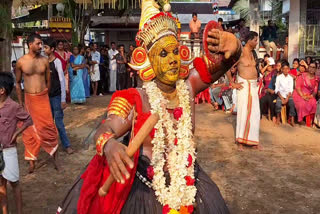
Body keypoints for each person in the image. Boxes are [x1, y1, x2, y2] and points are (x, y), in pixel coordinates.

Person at [57, 0, 242, 213]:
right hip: (147, 191)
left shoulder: (189, 87)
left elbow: (224, 62)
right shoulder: (136, 99)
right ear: (148, 60)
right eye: (163, 54)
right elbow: (107, 127)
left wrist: (234, 46)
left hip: (188, 183)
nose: (172, 59)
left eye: (174, 51)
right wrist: (108, 145)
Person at [15, 33, 59, 173]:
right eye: (38, 44)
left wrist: (46, 92)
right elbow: (17, 82)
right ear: (30, 45)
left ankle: (53, 156)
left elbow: (48, 79)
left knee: (49, 128)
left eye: (41, 44)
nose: (41, 46)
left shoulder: (45, 61)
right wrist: (21, 102)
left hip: (43, 99)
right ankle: (32, 161)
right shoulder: (21, 62)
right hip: (29, 100)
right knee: (29, 131)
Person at [0, 72, 33, 214]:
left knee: (14, 182)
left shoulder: (13, 106)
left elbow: (28, 120)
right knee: (1, 185)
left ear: (2, 90)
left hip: (9, 150)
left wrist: (16, 134)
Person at [228, 31, 260, 150]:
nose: (257, 43)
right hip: (243, 85)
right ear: (249, 40)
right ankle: (240, 141)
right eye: (255, 40)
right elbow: (227, 67)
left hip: (253, 85)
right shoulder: (240, 53)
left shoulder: (254, 54)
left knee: (255, 113)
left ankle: (254, 141)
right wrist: (232, 82)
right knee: (243, 113)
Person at [44, 39, 74, 154]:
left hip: (56, 96)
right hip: (47, 97)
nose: (44, 49)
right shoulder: (44, 61)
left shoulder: (56, 62)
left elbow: (61, 80)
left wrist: (63, 99)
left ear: (52, 49)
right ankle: (52, 146)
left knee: (59, 123)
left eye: (46, 47)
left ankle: (67, 145)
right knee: (48, 123)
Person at [293, 62, 319, 127]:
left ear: (316, 69)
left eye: (313, 67)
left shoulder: (316, 79)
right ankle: (300, 120)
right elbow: (298, 87)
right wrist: (303, 96)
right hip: (299, 93)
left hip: (309, 95)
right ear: (308, 67)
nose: (311, 69)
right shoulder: (302, 75)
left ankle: (310, 120)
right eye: (310, 67)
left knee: (313, 102)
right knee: (302, 103)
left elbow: (315, 91)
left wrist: (311, 96)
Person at [275, 60, 296, 126]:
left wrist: (287, 98)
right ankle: (278, 117)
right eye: (284, 69)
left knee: (292, 103)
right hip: (280, 95)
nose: (285, 70)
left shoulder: (290, 78)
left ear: (289, 69)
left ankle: (292, 119)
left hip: (288, 95)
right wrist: (282, 98)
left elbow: (291, 90)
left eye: (287, 68)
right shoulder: (278, 77)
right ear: (281, 69)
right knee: (278, 104)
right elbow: (277, 89)